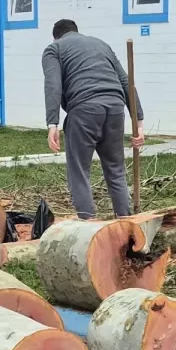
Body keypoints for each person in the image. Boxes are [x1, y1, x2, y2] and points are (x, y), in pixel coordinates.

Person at [42, 19, 144, 220]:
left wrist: (52, 123)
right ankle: (126, 224)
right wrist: (138, 122)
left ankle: (88, 227)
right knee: (116, 171)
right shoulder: (101, 44)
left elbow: (53, 85)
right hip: (115, 108)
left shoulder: (54, 49)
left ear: (56, 36)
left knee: (79, 172)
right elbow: (126, 81)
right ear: (77, 32)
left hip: (84, 109)